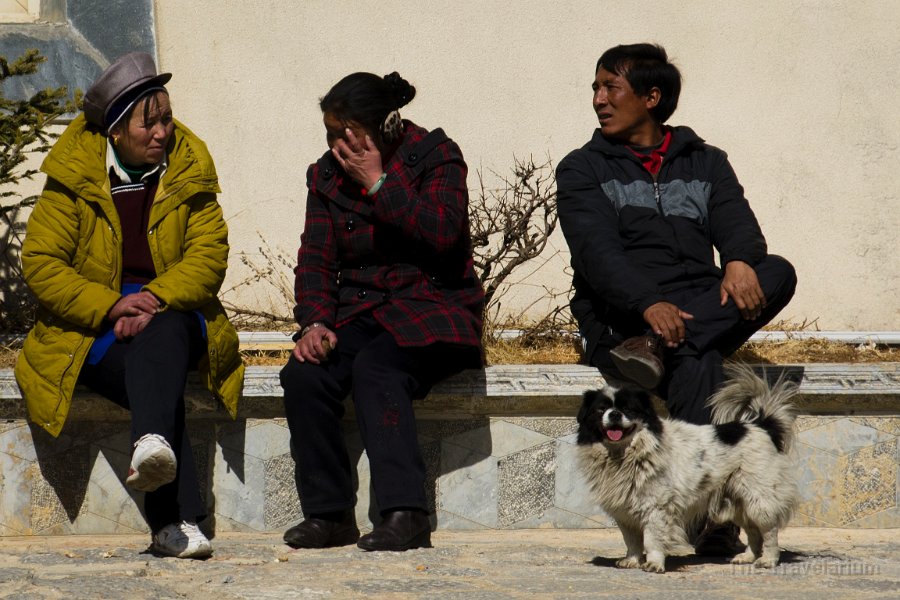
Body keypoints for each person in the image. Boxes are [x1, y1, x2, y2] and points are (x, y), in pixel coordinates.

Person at [556, 44, 797, 553]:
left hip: (691, 308)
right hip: (621, 322)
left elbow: (738, 224)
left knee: (775, 272)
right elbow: (597, 255)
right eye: (595, 88)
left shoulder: (706, 162)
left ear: (651, 97)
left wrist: (738, 259)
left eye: (610, 87)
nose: (598, 99)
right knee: (698, 362)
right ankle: (707, 523)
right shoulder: (583, 169)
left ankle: (660, 346)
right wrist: (647, 305)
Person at [15, 52, 244, 558]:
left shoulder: (188, 171)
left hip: (170, 311)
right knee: (155, 386)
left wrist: (155, 297)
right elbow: (44, 265)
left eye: (166, 119)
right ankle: (178, 522)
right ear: (116, 132)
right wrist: (111, 307)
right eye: (150, 123)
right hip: (89, 327)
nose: (163, 132)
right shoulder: (73, 180)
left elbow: (208, 257)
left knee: (162, 343)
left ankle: (165, 499)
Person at [280, 71, 484, 552]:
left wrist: (378, 183)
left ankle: (406, 513)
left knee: (378, 370)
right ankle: (329, 515)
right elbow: (315, 257)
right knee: (305, 375)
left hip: (434, 308)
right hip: (361, 313)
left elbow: (442, 234)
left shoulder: (436, 156)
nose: (337, 146)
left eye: (347, 134)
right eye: (330, 134)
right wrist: (315, 321)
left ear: (384, 127)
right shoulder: (327, 175)